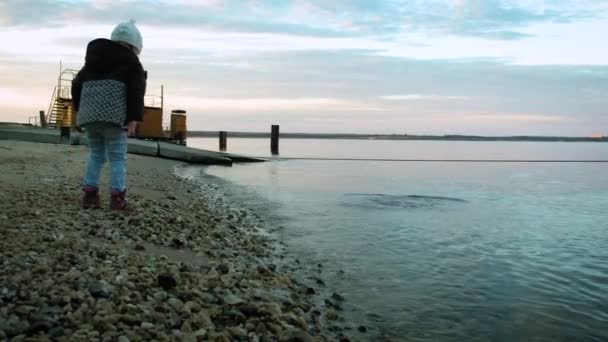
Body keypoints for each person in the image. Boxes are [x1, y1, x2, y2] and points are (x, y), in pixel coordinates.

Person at [72, 19, 147, 210]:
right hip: (114, 117)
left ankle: (89, 196)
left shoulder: (92, 61)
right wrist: (133, 118)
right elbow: (136, 91)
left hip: (90, 117)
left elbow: (76, 84)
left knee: (96, 154)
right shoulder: (132, 62)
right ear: (135, 46)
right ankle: (117, 198)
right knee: (117, 158)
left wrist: (79, 108)